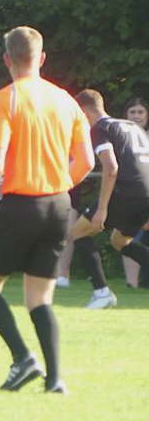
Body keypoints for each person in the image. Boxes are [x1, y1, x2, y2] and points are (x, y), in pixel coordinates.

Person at [0, 26, 94, 394]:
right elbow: (85, 161)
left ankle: (23, 358)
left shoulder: (3, 100)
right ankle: (55, 379)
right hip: (58, 204)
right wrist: (57, 186)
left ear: (7, 59)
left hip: (21, 203)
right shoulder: (67, 101)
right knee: (39, 298)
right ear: (41, 59)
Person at [70, 90, 149, 308]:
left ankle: (102, 292)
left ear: (83, 111)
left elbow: (111, 168)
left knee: (78, 232)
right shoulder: (131, 126)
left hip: (127, 191)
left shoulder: (100, 128)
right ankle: (102, 292)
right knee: (120, 241)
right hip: (146, 193)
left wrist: (102, 209)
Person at [119, 97, 149, 288]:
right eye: (132, 112)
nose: (137, 116)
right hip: (131, 195)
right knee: (128, 237)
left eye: (140, 112)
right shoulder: (121, 136)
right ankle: (131, 283)